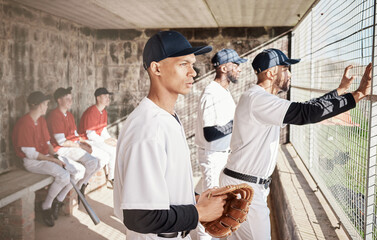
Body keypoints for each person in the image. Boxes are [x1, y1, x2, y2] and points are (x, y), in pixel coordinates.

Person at [219, 48, 372, 240]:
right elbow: (306, 113)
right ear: (272, 72)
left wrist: (339, 91)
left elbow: (307, 107)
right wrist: (357, 95)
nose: (290, 74)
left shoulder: (258, 98)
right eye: (286, 68)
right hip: (244, 187)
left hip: (243, 183)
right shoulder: (259, 99)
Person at [113, 30, 226, 240]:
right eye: (183, 64)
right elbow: (139, 216)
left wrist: (195, 199)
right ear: (156, 68)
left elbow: (164, 183)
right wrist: (200, 213)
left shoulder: (167, 115)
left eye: (192, 64)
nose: (193, 72)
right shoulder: (148, 127)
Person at [194, 49, 247, 240]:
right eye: (236, 65)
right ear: (224, 67)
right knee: (211, 209)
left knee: (201, 194)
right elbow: (211, 133)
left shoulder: (222, 91)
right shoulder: (211, 93)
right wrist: (238, 122)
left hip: (221, 155)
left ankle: (184, 210)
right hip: (213, 155)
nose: (239, 69)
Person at [12, 91, 84, 227]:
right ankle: (46, 206)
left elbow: (48, 143)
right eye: (45, 104)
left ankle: (58, 199)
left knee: (78, 170)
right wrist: (54, 160)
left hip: (46, 157)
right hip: (32, 162)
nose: (46, 106)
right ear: (38, 106)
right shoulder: (24, 123)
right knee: (64, 175)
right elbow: (30, 154)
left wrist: (56, 156)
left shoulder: (41, 120)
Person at [47, 87, 100, 198]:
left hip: (71, 147)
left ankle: (80, 186)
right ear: (59, 100)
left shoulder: (69, 115)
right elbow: (61, 142)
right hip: (59, 149)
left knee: (97, 162)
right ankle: (64, 196)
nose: (70, 101)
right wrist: (80, 146)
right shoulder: (55, 115)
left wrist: (85, 144)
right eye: (67, 99)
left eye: (71, 98)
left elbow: (75, 135)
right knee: (91, 163)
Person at [78, 87, 117, 186]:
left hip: (95, 139)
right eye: (105, 96)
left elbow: (103, 130)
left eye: (108, 97)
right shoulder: (91, 111)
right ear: (98, 98)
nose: (108, 99)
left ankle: (111, 176)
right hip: (86, 140)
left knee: (115, 146)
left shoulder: (103, 112)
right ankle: (111, 178)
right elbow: (90, 134)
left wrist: (109, 139)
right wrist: (105, 142)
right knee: (111, 151)